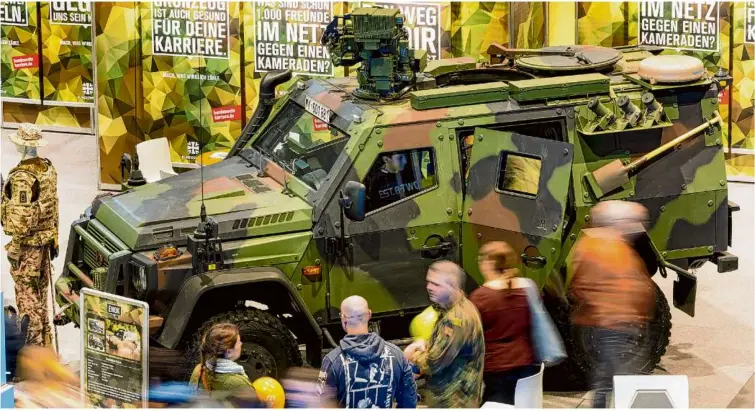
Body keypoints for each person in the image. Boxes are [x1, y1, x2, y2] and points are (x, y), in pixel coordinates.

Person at [568, 200, 657, 408]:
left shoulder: (595, 245)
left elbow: (579, 285)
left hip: (609, 323)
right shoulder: (610, 250)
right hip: (616, 324)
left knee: (606, 379)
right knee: (623, 377)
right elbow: (629, 287)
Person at [1, 124, 59, 347]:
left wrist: (15, 246)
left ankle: (33, 356)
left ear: (23, 144)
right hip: (45, 243)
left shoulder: (23, 177)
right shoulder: (47, 169)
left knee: (28, 301)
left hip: (28, 247)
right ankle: (46, 347)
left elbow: (22, 220)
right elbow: (53, 206)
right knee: (41, 298)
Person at [403, 261, 485, 408]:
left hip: (454, 401)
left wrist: (411, 356)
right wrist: (427, 346)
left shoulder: (456, 320)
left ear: (453, 286)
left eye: (436, 284)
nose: (429, 287)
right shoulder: (451, 309)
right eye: (428, 282)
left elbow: (435, 362)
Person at [469, 242, 539, 405]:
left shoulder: (481, 297)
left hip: (496, 368)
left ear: (490, 263)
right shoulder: (526, 290)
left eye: (481, 260)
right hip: (526, 362)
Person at [317, 296, 417, 408]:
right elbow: (409, 401)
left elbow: (321, 403)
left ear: (344, 319)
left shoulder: (332, 361)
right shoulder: (396, 354)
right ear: (369, 314)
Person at [190, 323, 258, 402]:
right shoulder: (239, 383)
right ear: (228, 352)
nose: (241, 344)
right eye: (238, 342)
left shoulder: (198, 370)